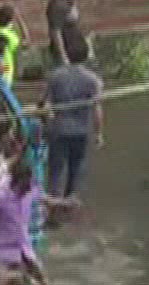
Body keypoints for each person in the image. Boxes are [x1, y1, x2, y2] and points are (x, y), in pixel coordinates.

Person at [43, 37, 106, 204]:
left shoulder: (55, 76)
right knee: (76, 167)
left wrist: (48, 124)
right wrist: (98, 133)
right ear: (86, 55)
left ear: (67, 54)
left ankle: (53, 201)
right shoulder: (92, 80)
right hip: (80, 131)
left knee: (55, 169)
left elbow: (46, 104)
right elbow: (97, 109)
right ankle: (70, 199)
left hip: (58, 129)